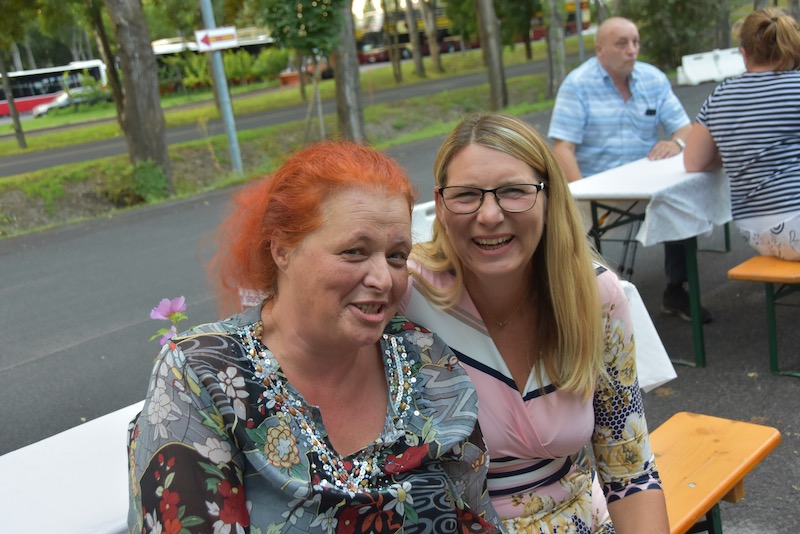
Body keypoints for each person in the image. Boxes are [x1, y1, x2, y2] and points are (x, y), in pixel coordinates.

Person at [127, 141, 502, 533]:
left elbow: (476, 515)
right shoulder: (203, 374)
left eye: (396, 256)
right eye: (355, 251)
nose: (383, 279)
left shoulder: (423, 359)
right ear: (282, 250)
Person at [404, 112, 669, 533]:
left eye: (514, 191)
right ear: (440, 204)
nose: (489, 215)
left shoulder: (593, 298)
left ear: (549, 198)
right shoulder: (404, 296)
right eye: (466, 195)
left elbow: (629, 471)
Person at [548, 16, 712, 324]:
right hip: (597, 189)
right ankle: (599, 302)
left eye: (635, 42)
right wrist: (582, 193)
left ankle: (677, 289)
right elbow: (562, 148)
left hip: (645, 183)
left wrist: (676, 143)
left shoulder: (653, 78)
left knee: (682, 201)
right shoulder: (577, 84)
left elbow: (685, 128)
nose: (632, 50)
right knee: (575, 230)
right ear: (600, 49)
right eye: (622, 43)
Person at [684, 7, 800, 261]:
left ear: (744, 53)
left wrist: (736, 150)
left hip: (756, 233)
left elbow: (693, 161)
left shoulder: (721, 95)